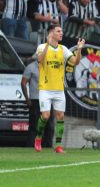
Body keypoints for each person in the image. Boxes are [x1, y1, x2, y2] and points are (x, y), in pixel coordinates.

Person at [34, 24, 85, 153]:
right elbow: (40, 59)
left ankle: (58, 145)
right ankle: (38, 138)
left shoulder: (63, 49)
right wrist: (47, 43)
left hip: (59, 89)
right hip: (45, 88)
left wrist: (79, 50)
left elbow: (76, 62)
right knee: (45, 116)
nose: (61, 33)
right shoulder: (41, 47)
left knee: (60, 116)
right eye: (58, 31)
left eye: (62, 31)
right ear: (51, 33)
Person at [21, 55, 53, 148]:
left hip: (48, 100)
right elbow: (23, 83)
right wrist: (27, 99)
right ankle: (31, 145)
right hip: (35, 99)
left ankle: (47, 145)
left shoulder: (50, 67)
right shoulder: (31, 67)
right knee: (34, 124)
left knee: (49, 125)